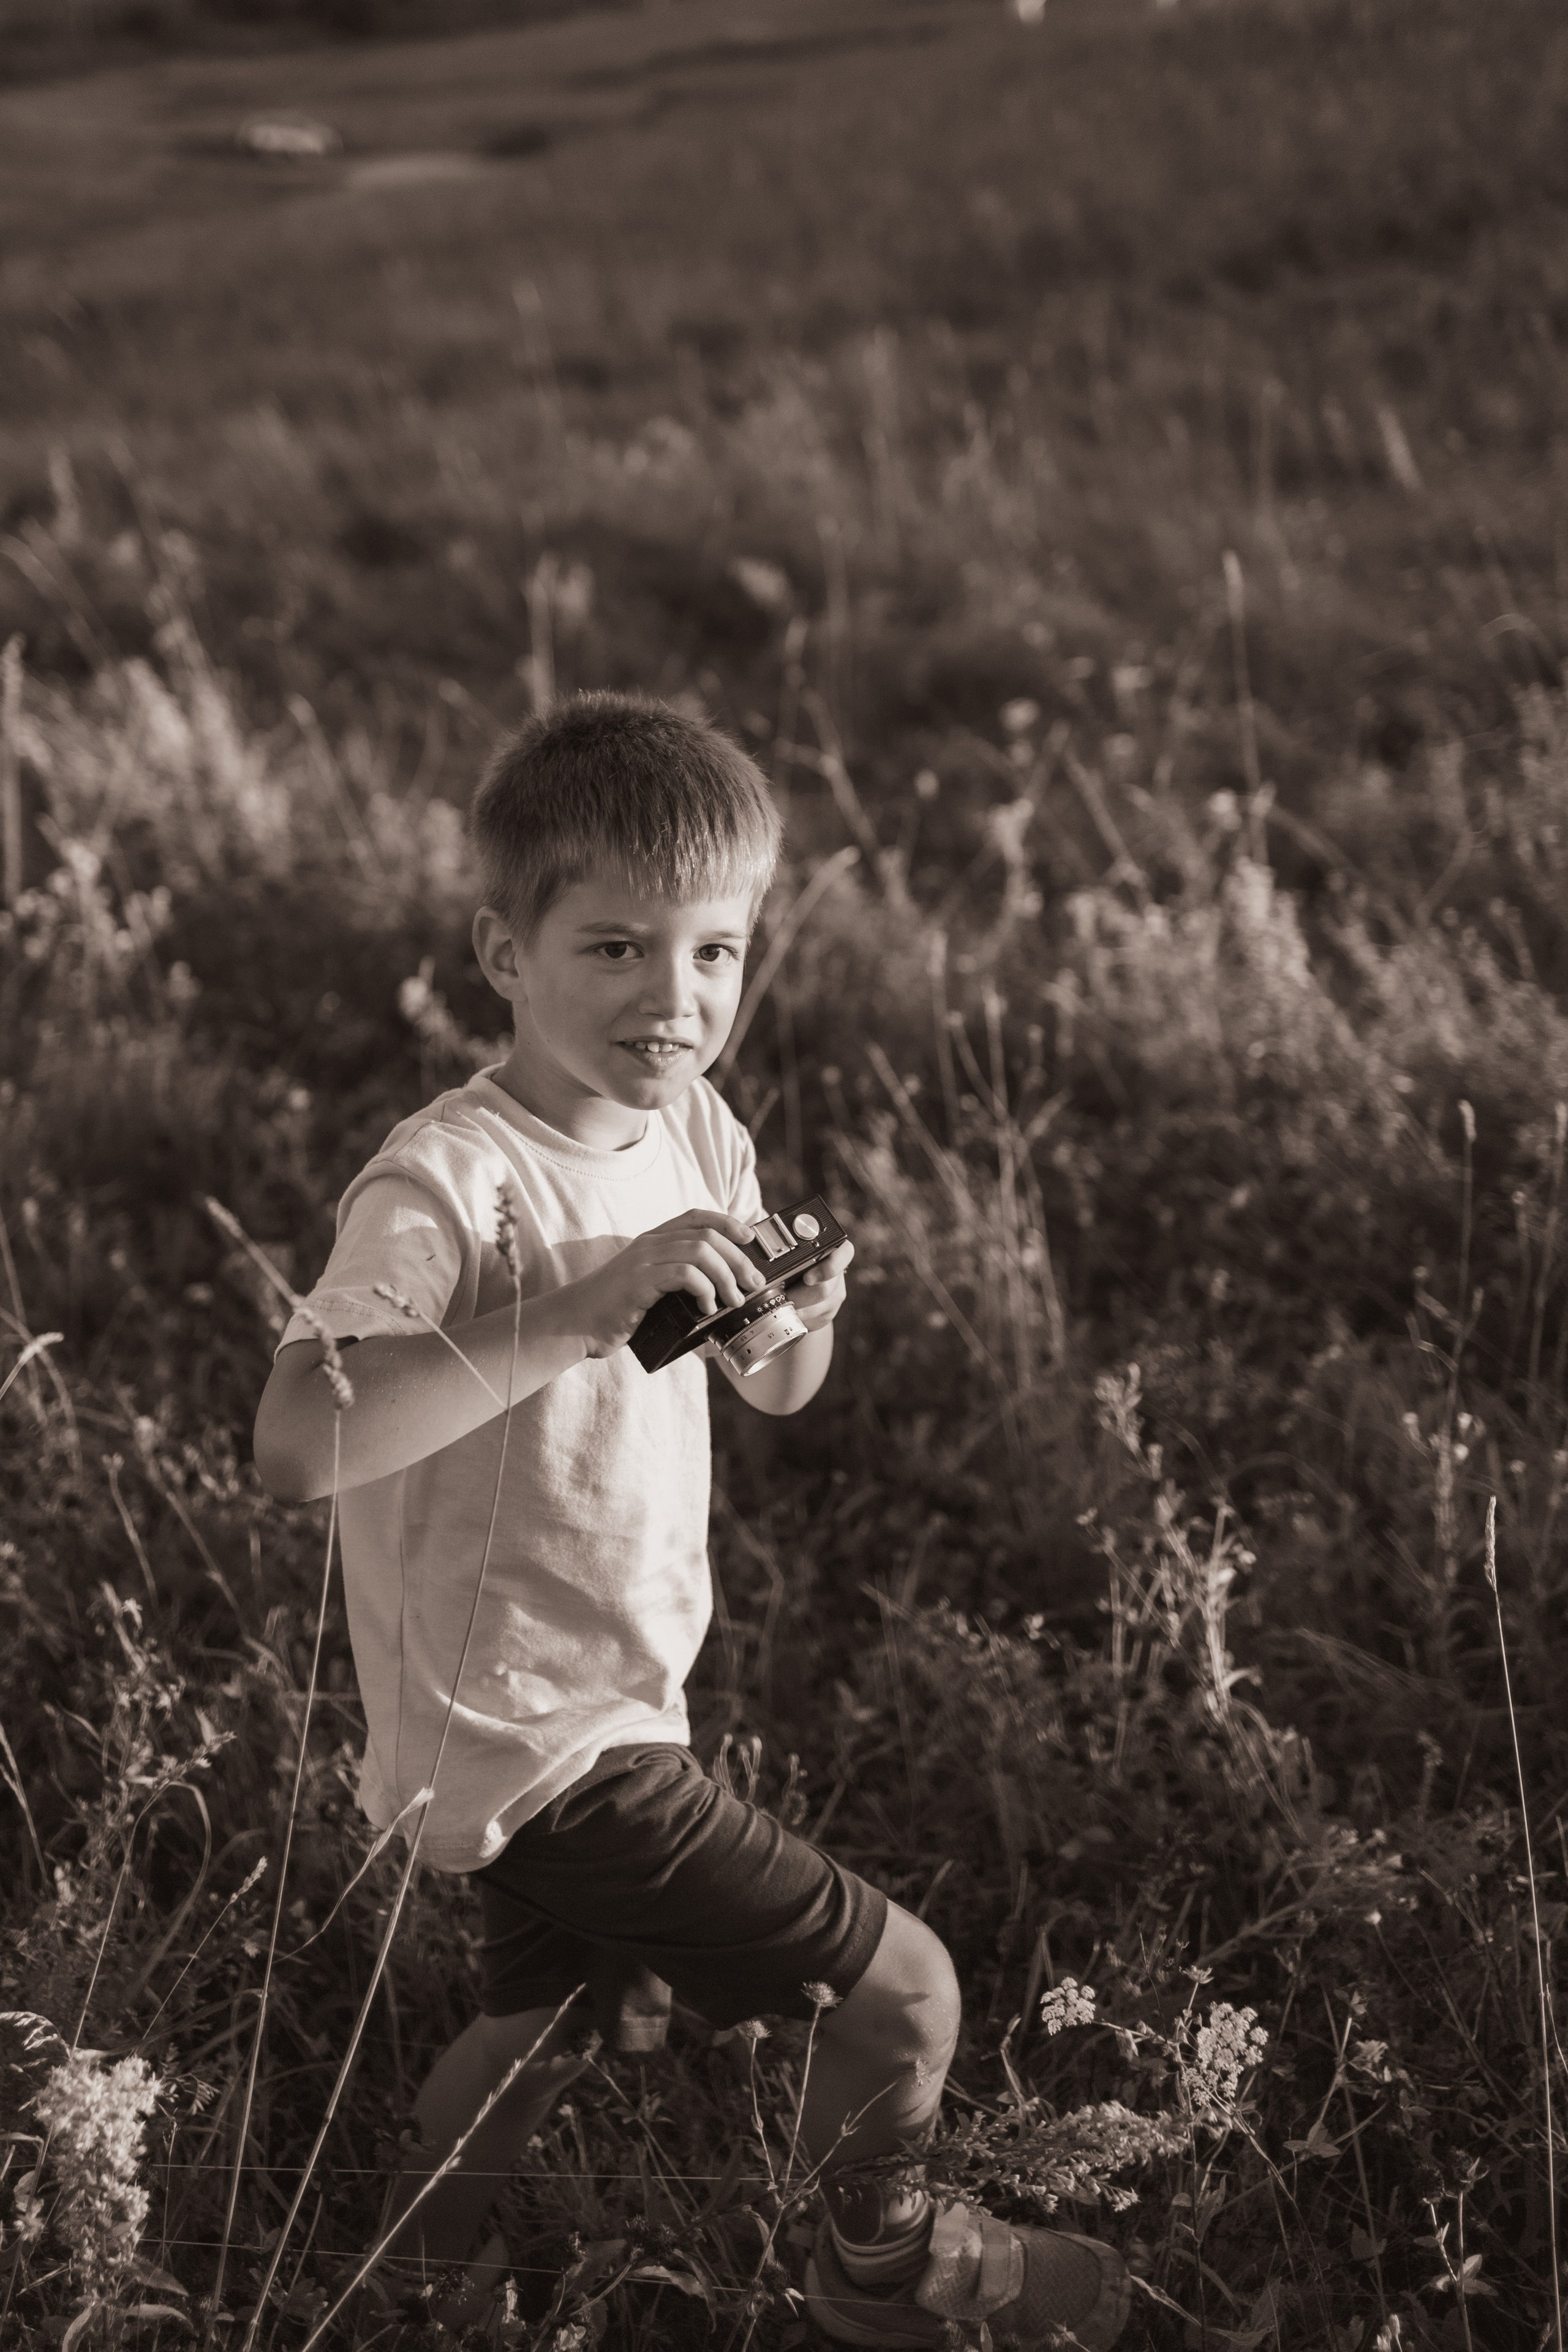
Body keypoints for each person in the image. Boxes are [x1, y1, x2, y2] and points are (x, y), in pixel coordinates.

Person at [252, 692, 1128, 2349]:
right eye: (616, 949)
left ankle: (428, 2272)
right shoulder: (449, 1185)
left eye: (716, 953)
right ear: (503, 954)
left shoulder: (693, 1128)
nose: (677, 1000)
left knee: (554, 2020)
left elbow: (778, 1393)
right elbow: (300, 1442)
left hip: (612, 1687)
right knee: (907, 1990)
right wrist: (583, 1302)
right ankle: (884, 2277)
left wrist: (792, 1319)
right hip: (531, 1730)